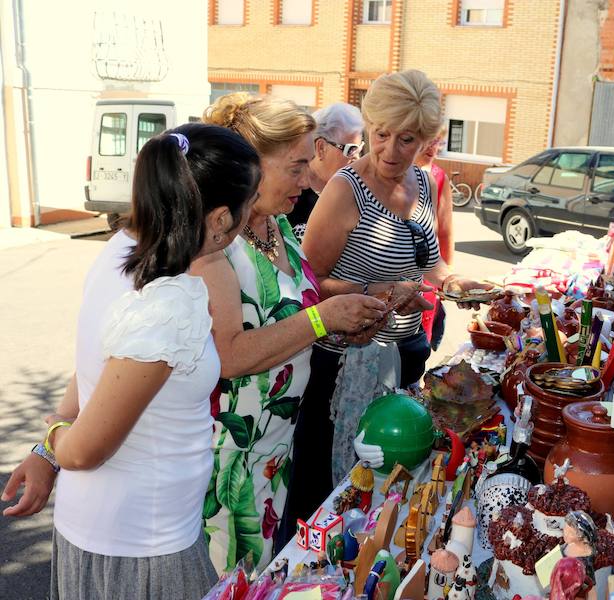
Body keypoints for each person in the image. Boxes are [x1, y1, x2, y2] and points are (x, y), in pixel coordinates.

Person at [2, 123, 261, 598]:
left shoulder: (122, 252)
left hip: (108, 528)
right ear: (222, 219)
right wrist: (57, 438)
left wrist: (47, 446)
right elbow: (82, 450)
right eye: (251, 201)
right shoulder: (170, 306)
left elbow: (95, 370)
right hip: (145, 548)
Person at [285, 69, 487, 533]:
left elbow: (430, 264)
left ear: (428, 141)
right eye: (381, 135)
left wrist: (454, 282)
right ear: (370, 126)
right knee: (328, 493)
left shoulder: (421, 183)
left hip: (401, 358)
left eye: (408, 139)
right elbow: (306, 283)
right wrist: (373, 294)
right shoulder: (344, 189)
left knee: (385, 487)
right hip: (339, 368)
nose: (391, 151)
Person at [197, 93, 386, 571]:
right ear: (252, 165)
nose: (308, 180)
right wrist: (324, 318)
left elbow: (290, 323)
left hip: (276, 449)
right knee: (228, 579)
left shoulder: (278, 225)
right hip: (227, 460)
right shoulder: (217, 242)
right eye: (297, 165)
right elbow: (230, 356)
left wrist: (344, 329)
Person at [286, 102, 365, 243]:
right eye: (351, 149)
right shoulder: (290, 194)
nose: (357, 158)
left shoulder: (357, 195)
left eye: (360, 150)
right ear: (321, 148)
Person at [414, 127, 454, 350]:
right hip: (392, 279)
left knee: (420, 344)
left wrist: (448, 281)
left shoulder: (438, 177)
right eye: (428, 140)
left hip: (429, 276)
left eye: (437, 142)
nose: (433, 147)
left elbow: (445, 233)